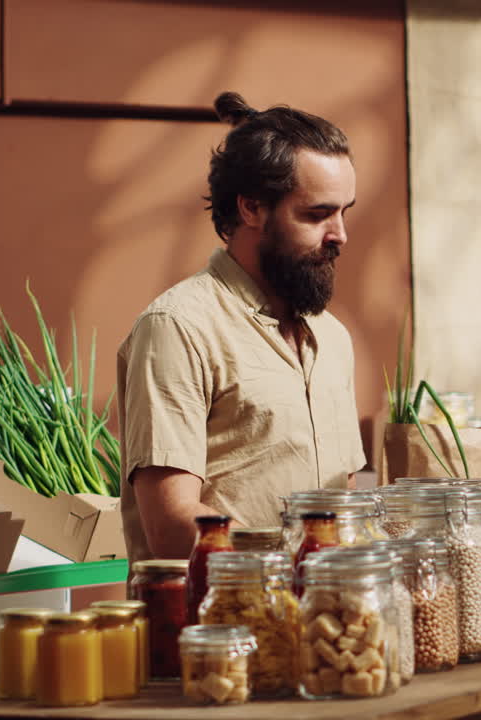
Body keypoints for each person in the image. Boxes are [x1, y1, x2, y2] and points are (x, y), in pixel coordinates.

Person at [117, 91, 366, 561]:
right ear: (252, 208)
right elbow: (171, 525)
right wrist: (296, 556)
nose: (340, 235)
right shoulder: (178, 328)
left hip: (325, 624)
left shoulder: (333, 338)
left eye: (344, 211)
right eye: (317, 215)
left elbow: (344, 504)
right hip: (215, 625)